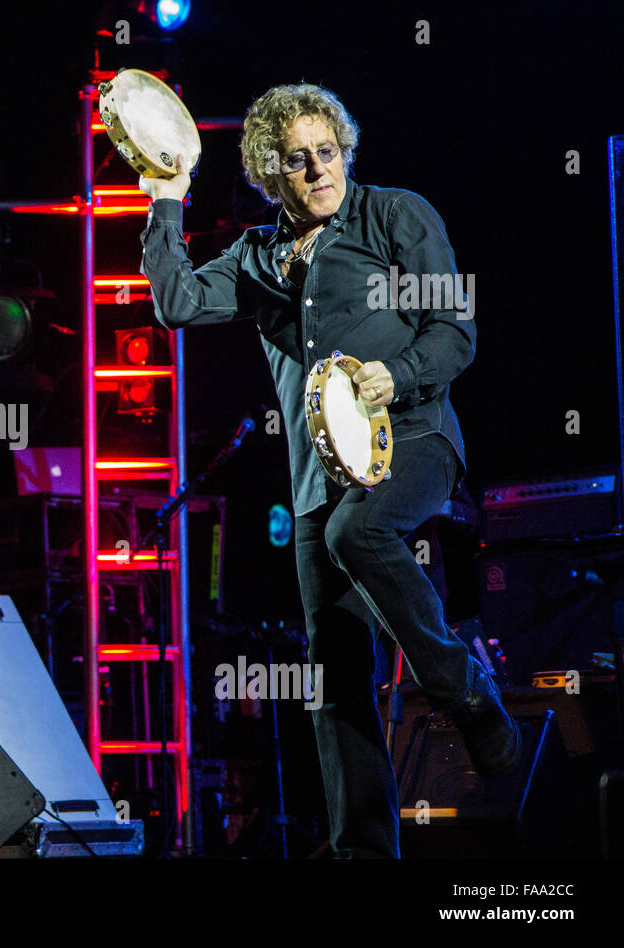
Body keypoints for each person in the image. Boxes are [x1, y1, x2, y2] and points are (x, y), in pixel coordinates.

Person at [138, 83, 518, 858]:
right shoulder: (255, 257)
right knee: (335, 678)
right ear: (270, 175)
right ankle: (364, 853)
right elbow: (175, 302)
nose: (318, 169)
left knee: (362, 530)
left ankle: (466, 692)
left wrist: (398, 372)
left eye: (328, 151)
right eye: (297, 160)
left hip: (414, 441)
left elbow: (456, 332)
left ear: (345, 149)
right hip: (319, 482)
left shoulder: (395, 216)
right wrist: (167, 199)